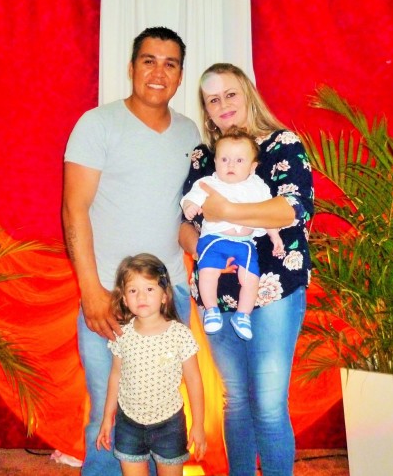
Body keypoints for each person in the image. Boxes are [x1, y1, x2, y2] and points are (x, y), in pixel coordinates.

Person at [62, 27, 201, 475]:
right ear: (131, 67)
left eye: (170, 63)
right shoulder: (97, 124)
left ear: (180, 75)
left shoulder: (190, 133)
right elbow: (74, 209)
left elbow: (187, 212)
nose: (159, 72)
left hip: (171, 296)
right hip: (109, 295)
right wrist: (91, 290)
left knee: (164, 412)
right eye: (149, 60)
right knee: (107, 412)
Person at [179, 63, 314, 476]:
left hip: (275, 287)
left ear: (247, 94)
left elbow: (294, 208)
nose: (223, 104)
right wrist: (205, 250)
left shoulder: (283, 144)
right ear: (206, 110)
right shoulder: (204, 157)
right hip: (216, 293)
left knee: (269, 403)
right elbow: (184, 224)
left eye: (230, 94)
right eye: (212, 99)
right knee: (235, 399)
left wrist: (227, 211)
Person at [96, 253, 207, 475]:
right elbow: (115, 377)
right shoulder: (122, 335)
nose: (141, 297)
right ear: (124, 299)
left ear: (164, 296)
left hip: (170, 425)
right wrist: (107, 417)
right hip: (129, 425)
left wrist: (198, 424)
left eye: (149, 289)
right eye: (133, 291)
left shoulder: (179, 335)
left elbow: (194, 380)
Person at [181, 127, 283, 340]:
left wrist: (275, 236)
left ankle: (243, 315)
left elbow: (267, 213)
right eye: (224, 159)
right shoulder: (209, 183)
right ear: (215, 162)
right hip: (214, 241)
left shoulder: (258, 187)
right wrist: (190, 206)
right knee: (208, 273)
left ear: (252, 166)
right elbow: (191, 197)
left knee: (251, 279)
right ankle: (211, 310)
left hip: (245, 243)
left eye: (239, 160)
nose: (230, 165)